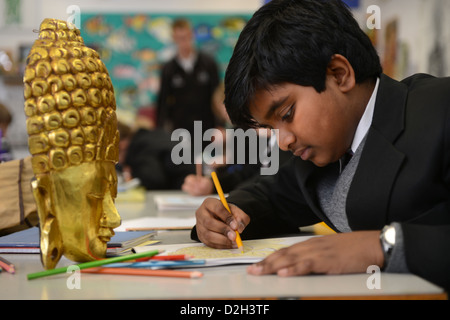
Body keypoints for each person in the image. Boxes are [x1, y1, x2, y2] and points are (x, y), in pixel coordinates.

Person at [192, 0, 450, 291]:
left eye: (287, 114)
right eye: (270, 128)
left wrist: (381, 246)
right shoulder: (321, 150)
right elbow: (271, 195)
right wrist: (226, 214)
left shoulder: (440, 109)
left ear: (340, 73)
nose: (284, 140)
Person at [156, 18, 220, 158]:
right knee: (183, 163)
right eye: (179, 38)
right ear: (174, 39)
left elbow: (218, 98)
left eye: (186, 37)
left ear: (192, 35)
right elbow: (162, 101)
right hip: (180, 127)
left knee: (207, 164)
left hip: (206, 125)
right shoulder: (169, 68)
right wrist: (160, 130)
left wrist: (219, 125)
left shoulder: (208, 64)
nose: (183, 42)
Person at [118, 108, 196, 190]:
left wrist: (133, 174)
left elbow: (154, 180)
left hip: (186, 188)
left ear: (122, 145)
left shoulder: (139, 147)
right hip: (191, 182)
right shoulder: (147, 136)